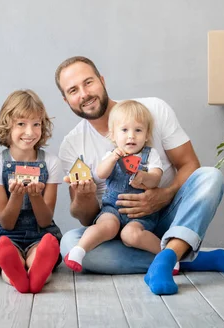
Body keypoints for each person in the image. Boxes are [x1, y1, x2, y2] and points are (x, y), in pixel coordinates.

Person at [56, 56, 224, 296]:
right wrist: (83, 196)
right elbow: (86, 218)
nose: (84, 94)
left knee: (210, 177)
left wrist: (163, 194)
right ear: (65, 99)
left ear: (102, 80)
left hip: (166, 216)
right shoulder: (72, 144)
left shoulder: (152, 110)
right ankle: (178, 257)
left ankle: (171, 253)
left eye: (88, 82)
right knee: (70, 243)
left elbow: (189, 164)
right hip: (117, 227)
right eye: (73, 90)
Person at [65, 100, 177, 273]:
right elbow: (101, 174)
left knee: (130, 235)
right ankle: (79, 250)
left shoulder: (150, 155)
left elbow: (155, 179)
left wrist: (144, 177)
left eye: (138, 130)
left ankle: (168, 255)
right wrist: (111, 159)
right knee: (107, 226)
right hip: (112, 209)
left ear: (147, 135)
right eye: (124, 130)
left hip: (140, 215)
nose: (131, 136)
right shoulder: (111, 154)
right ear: (113, 135)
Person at [0, 90, 63, 294]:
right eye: (21, 124)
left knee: (41, 253)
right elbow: (7, 222)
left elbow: (45, 221)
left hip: (41, 234)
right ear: (7, 125)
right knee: (6, 252)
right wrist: (17, 195)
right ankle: (16, 272)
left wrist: (35, 196)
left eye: (36, 124)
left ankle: (37, 274)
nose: (30, 132)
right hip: (6, 234)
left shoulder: (51, 162)